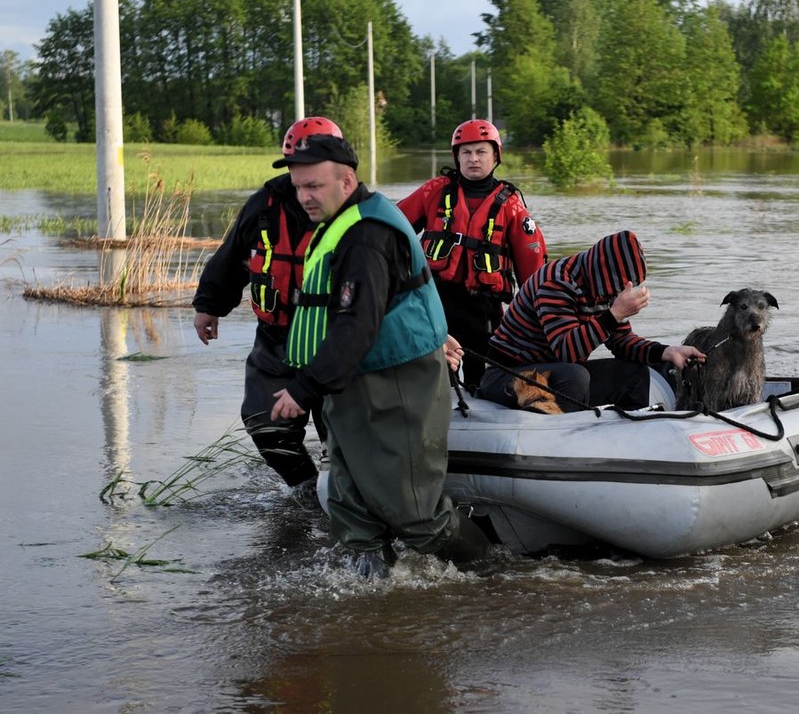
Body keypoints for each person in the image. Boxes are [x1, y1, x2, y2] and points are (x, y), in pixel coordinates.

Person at [266, 127, 490, 579]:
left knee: (418, 515)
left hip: (397, 381)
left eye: (314, 186)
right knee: (352, 503)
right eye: (299, 187)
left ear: (346, 182)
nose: (304, 196)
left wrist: (304, 389)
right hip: (351, 379)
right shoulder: (340, 220)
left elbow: (357, 324)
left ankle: (493, 576)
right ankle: (371, 594)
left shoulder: (366, 236)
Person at [192, 116, 342, 496]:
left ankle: (342, 492)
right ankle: (307, 489)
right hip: (275, 339)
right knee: (265, 423)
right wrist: (209, 305)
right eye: (298, 167)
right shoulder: (264, 206)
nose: (305, 179)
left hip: (336, 339)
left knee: (342, 434)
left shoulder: (355, 212)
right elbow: (231, 256)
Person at [476, 230, 705, 412]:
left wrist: (667, 352)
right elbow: (567, 351)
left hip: (554, 371)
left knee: (634, 373)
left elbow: (622, 342)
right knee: (575, 377)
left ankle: (622, 435)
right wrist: (614, 314)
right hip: (509, 372)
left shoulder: (602, 289)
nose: (624, 289)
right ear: (604, 270)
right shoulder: (556, 283)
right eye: (622, 282)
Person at [397, 118, 547, 390]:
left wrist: (538, 322)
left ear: (495, 156)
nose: (473, 159)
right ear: (457, 157)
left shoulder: (512, 207)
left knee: (485, 377)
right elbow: (392, 229)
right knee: (435, 372)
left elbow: (534, 278)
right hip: (436, 302)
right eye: (466, 152)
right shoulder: (434, 191)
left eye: (481, 152)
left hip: (483, 307)